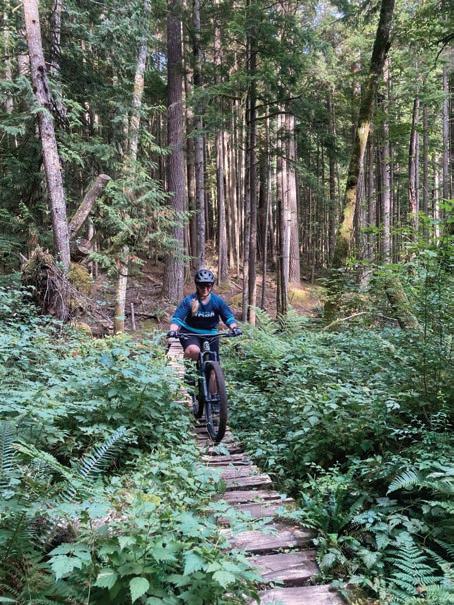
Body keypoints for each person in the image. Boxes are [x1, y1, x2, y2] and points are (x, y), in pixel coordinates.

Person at [167, 268, 241, 360]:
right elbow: (178, 318)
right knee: (193, 350)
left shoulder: (217, 301)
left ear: (212, 286)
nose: (205, 289)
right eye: (202, 286)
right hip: (190, 333)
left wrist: (234, 328)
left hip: (211, 334)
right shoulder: (189, 300)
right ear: (197, 285)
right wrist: (173, 330)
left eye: (208, 286)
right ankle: (189, 368)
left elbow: (228, 317)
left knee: (214, 362)